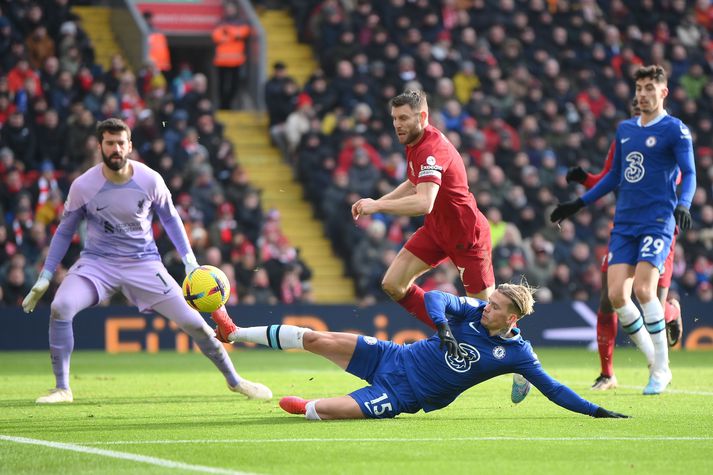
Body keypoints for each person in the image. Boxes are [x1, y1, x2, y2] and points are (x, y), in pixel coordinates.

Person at [21, 118, 272, 403]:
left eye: (120, 143)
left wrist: (189, 261)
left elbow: (171, 218)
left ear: (130, 145)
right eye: (109, 143)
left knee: (197, 325)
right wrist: (45, 275)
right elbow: (65, 230)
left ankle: (235, 381)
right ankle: (62, 388)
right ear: (100, 146)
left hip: (144, 264)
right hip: (97, 264)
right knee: (61, 307)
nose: (115, 148)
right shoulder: (83, 186)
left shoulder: (149, 179)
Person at [211, 282, 628, 420]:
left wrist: (596, 411)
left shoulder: (518, 355)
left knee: (327, 410)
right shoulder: (473, 311)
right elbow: (434, 299)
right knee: (318, 339)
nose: (487, 309)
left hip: (405, 395)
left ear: (512, 320)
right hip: (394, 356)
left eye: (496, 308)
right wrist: (445, 328)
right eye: (489, 302)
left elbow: (555, 390)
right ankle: (234, 332)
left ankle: (309, 407)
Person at [350, 89, 530, 403]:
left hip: (467, 236)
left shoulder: (432, 148)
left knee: (486, 317)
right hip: (437, 231)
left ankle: (519, 359)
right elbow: (413, 182)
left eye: (404, 118)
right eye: (394, 119)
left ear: (422, 116)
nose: (397, 125)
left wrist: (377, 208)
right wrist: (379, 200)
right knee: (393, 284)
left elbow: (423, 201)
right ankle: (446, 326)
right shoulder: (414, 143)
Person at [551, 65, 696, 395]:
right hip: (626, 223)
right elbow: (613, 177)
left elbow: (689, 172)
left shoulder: (676, 130)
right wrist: (578, 204)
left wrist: (683, 203)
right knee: (616, 296)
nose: (642, 94)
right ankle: (656, 364)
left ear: (663, 92)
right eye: (639, 88)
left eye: (649, 88)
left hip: (658, 221)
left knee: (645, 291)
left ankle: (660, 370)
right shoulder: (625, 130)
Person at [211, 1, 251, 109]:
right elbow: (217, 37)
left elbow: (242, 33)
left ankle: (229, 104)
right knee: (221, 85)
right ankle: (223, 105)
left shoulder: (241, 22)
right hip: (221, 61)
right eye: (228, 9)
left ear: (236, 9)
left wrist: (228, 30)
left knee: (234, 85)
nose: (229, 11)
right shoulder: (220, 22)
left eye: (231, 8)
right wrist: (234, 35)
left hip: (236, 61)